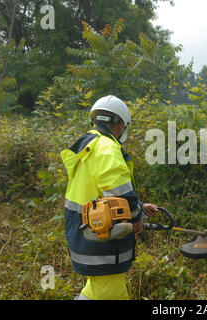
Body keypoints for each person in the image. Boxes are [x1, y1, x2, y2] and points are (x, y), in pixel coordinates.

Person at [61, 95, 158, 300]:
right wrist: (137, 216)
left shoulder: (89, 144)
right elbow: (120, 193)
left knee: (99, 289)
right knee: (111, 292)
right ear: (121, 124)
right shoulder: (108, 148)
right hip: (100, 234)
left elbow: (101, 192)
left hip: (83, 229)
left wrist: (139, 206)